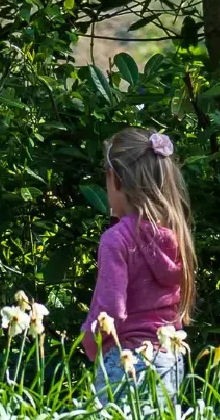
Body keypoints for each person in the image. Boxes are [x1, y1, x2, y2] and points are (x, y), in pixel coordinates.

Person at [81, 127, 197, 394]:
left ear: (117, 180)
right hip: (169, 357)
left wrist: (89, 339)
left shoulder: (116, 239)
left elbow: (111, 310)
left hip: (125, 359)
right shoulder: (175, 236)